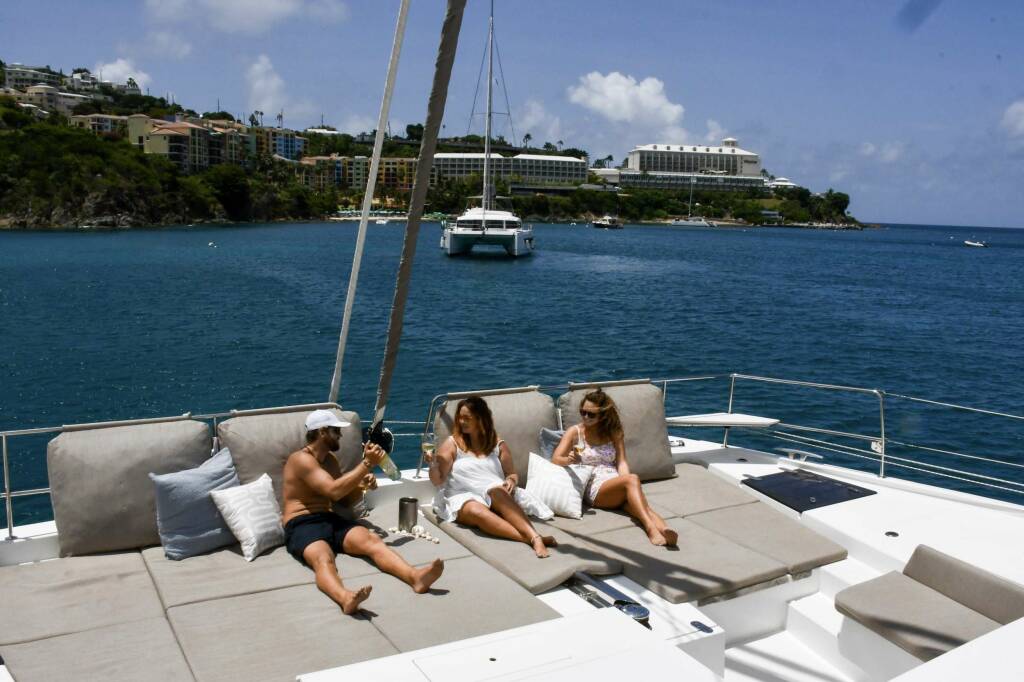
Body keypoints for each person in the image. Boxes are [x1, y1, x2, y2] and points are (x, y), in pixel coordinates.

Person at [282, 409, 444, 615]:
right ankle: (345, 598)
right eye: (335, 431)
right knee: (324, 559)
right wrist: (366, 464)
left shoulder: (330, 460)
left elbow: (343, 499)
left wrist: (361, 486)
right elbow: (332, 490)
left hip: (329, 518)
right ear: (322, 432)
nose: (340, 435)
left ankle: (416, 577)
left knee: (372, 540)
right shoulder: (300, 459)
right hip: (301, 523)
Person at [428, 396, 557, 558]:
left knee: (497, 491)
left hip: (495, 493)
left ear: (480, 418)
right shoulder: (452, 444)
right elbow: (438, 480)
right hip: (462, 496)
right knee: (475, 510)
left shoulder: (497, 443)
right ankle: (534, 539)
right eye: (460, 417)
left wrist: (511, 480)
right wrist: (432, 464)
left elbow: (511, 473)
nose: (461, 421)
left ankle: (533, 536)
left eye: (467, 418)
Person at [551, 389, 678, 547]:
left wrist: (624, 481)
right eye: (583, 412)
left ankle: (665, 530)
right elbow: (555, 460)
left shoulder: (613, 432)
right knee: (632, 480)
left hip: (615, 482)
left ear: (602, 415)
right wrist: (569, 460)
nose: (585, 417)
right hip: (594, 488)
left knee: (640, 506)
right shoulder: (575, 432)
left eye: (591, 414)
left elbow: (622, 462)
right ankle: (651, 528)